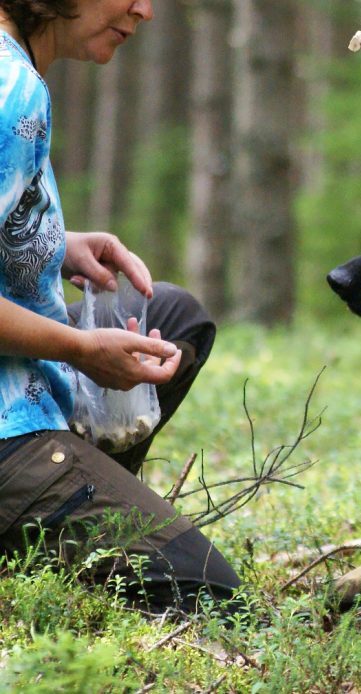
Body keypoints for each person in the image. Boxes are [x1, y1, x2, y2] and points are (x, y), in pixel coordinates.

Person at [0, 0, 240, 612]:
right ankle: (42, 533)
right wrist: (82, 349)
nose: (146, 9)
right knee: (207, 592)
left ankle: (80, 511)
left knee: (175, 316)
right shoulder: (13, 89)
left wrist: (55, 244)